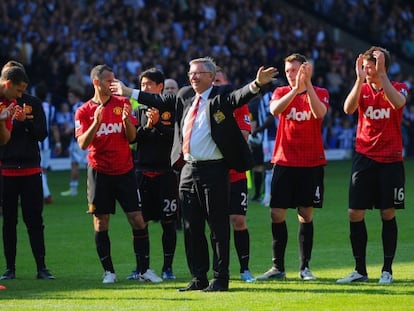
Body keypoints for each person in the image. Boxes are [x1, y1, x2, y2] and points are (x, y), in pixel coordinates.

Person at [110, 57, 277, 291]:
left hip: (215, 170)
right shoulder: (184, 95)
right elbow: (158, 99)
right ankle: (198, 278)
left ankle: (220, 279)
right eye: (190, 73)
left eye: (198, 73)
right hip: (188, 169)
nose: (193, 76)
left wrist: (257, 84)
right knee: (191, 227)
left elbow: (240, 96)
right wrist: (129, 92)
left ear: (211, 76)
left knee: (218, 227)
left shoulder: (221, 95)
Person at [336, 46, 408, 285]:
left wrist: (383, 75)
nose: (367, 70)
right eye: (366, 66)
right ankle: (360, 270)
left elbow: (398, 104)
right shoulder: (362, 88)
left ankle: (387, 270)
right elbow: (348, 109)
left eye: (371, 66)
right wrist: (358, 79)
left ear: (383, 67)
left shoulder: (398, 87)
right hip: (364, 157)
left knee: (387, 213)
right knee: (354, 213)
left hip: (391, 159)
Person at [75, 64, 150, 284]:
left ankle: (144, 270)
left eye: (114, 80)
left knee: (137, 219)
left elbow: (132, 137)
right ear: (96, 82)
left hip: (125, 170)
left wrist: (126, 120)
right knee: (101, 222)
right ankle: (109, 271)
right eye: (109, 80)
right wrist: (96, 123)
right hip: (99, 172)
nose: (113, 83)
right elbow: (82, 143)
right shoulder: (84, 111)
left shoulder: (123, 103)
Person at [257, 53, 329, 281]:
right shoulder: (280, 92)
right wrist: (295, 89)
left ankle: (304, 267)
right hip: (284, 160)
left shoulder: (321, 93)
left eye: (295, 70)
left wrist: (306, 87)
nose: (290, 74)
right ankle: (278, 267)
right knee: (276, 213)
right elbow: (275, 110)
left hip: (311, 162)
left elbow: (320, 113)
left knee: (305, 213)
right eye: (287, 71)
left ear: (306, 70)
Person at [0, 61, 55, 280]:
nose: (21, 94)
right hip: (7, 169)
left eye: (23, 90)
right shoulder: (3, 103)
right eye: (19, 89)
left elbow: (42, 134)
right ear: (9, 83)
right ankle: (9, 269)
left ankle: (41, 267)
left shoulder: (32, 103)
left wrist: (25, 122)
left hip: (31, 169)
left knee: (34, 220)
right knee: (8, 221)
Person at [125, 68, 176, 282]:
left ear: (160, 87)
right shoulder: (138, 111)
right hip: (143, 174)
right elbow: (134, 140)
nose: (145, 89)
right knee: (139, 222)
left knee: (168, 223)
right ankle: (140, 267)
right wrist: (148, 126)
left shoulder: (172, 109)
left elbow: (176, 138)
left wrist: (160, 127)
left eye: (149, 85)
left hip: (166, 174)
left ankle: (167, 268)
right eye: (142, 85)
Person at [213, 67, 255, 282]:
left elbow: (243, 137)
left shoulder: (239, 105)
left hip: (235, 173)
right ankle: (219, 270)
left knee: (238, 219)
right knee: (215, 223)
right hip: (212, 174)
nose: (217, 85)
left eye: (219, 81)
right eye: (214, 81)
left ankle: (245, 268)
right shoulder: (203, 106)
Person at [35, 82, 61, 204]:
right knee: (42, 170)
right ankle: (45, 194)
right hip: (47, 143)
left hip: (35, 142)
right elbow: (54, 127)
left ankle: (45, 194)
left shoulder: (32, 105)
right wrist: (58, 143)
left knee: (37, 169)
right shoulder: (51, 108)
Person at [61, 88, 88, 196]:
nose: (69, 99)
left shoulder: (77, 107)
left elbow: (78, 124)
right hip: (85, 139)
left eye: (71, 96)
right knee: (86, 164)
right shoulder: (85, 105)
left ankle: (74, 189)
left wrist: (69, 129)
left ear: (76, 97)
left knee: (75, 164)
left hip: (78, 140)